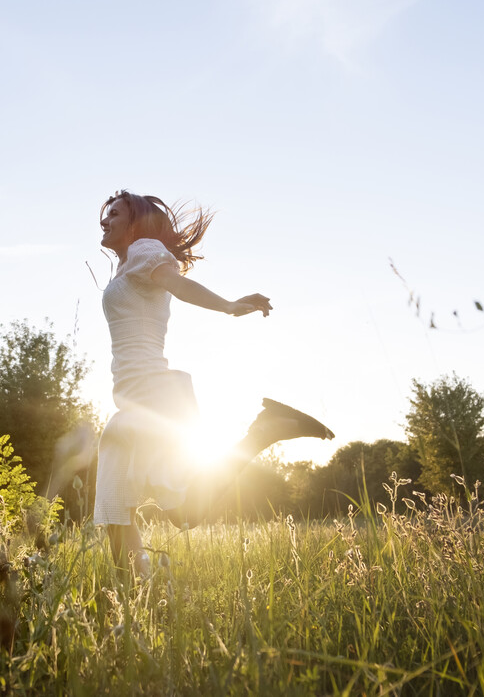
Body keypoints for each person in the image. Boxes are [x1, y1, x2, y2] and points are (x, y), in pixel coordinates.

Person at [93, 190, 334, 576]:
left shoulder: (144, 251)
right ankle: (136, 596)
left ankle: (263, 432)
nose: (104, 221)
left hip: (153, 399)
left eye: (115, 214)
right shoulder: (126, 267)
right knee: (113, 508)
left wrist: (228, 305)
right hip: (130, 404)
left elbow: (178, 284)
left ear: (135, 223)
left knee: (184, 513)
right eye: (104, 215)